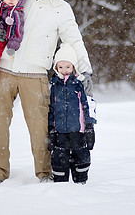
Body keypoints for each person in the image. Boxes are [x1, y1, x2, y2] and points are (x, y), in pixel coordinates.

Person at [0, 0, 93, 187]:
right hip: (5, 69)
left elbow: (73, 39)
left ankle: (45, 172)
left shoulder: (61, 8)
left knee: (40, 127)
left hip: (35, 75)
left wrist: (85, 70)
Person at [47, 43, 96, 184]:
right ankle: (60, 181)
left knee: (80, 154)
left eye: (68, 67)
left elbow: (87, 105)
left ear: (73, 67)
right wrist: (51, 128)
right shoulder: (54, 85)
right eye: (60, 67)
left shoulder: (79, 84)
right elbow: (51, 108)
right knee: (59, 157)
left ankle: (81, 180)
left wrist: (89, 125)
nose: (64, 70)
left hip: (78, 130)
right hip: (60, 130)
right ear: (56, 67)